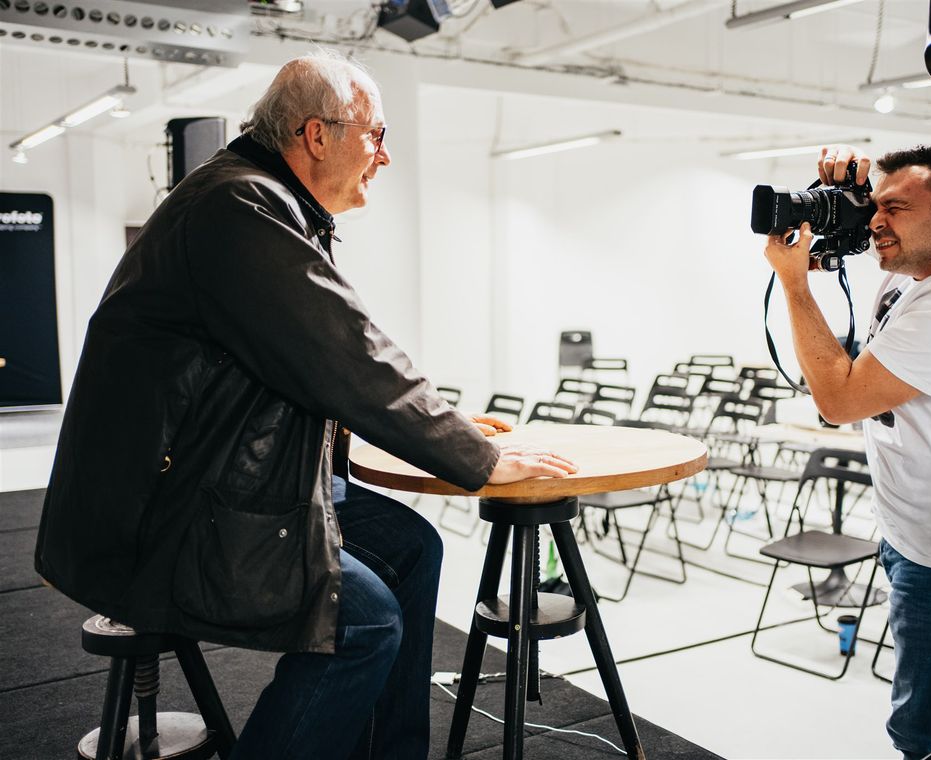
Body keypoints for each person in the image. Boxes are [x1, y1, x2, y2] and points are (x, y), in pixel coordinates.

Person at [34, 51, 577, 760]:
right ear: (318, 135)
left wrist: (448, 426)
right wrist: (476, 457)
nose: (383, 157)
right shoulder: (237, 207)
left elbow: (306, 361)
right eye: (375, 135)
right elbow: (343, 351)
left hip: (212, 477)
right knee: (368, 622)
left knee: (414, 549)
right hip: (163, 512)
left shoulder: (259, 201)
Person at [763, 144, 931, 758]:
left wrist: (794, 284)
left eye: (896, 208)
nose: (875, 223)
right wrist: (846, 194)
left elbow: (836, 400)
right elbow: (871, 234)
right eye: (875, 207)